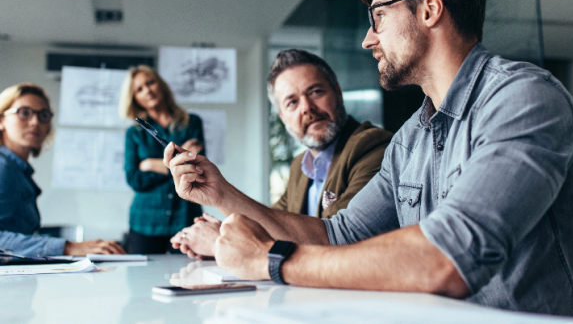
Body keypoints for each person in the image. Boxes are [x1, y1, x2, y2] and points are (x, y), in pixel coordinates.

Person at [164, 0, 573, 317]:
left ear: (429, 10)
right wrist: (220, 194)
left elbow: (447, 258)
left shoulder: (523, 99)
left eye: (379, 17)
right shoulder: (411, 138)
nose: (368, 40)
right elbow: (336, 236)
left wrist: (272, 260)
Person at [170, 50, 393, 258]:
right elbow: (272, 226)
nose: (306, 107)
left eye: (315, 92)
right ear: (282, 116)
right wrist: (225, 231)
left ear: (337, 91)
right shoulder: (300, 166)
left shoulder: (373, 147)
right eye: (292, 102)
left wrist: (221, 241)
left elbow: (336, 241)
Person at [0, 83, 125, 257]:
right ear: (1, 120)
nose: (35, 122)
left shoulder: (19, 171)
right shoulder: (3, 167)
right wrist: (68, 247)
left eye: (43, 115)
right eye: (24, 113)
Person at [120, 65, 204, 254]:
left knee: (188, 276)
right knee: (142, 280)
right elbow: (134, 179)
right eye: (139, 89)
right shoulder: (134, 133)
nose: (147, 90)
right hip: (145, 221)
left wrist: (149, 164)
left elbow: (196, 169)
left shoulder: (192, 123)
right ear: (135, 99)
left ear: (161, 85)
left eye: (150, 83)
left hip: (185, 217)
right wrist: (177, 164)